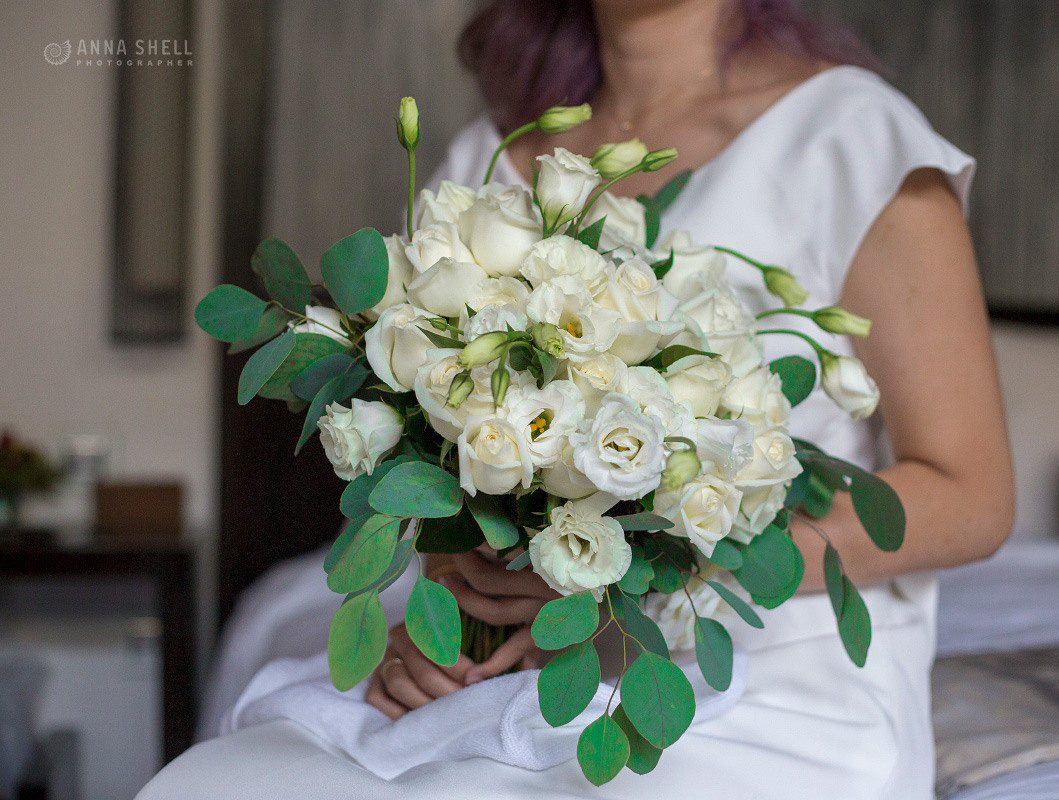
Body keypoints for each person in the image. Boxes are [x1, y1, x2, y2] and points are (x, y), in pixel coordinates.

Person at [140, 1, 1012, 797]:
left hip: (778, 669)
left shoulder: (853, 138)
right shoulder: (490, 158)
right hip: (539, 670)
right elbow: (442, 449)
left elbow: (972, 496)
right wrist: (456, 625)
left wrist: (662, 569)